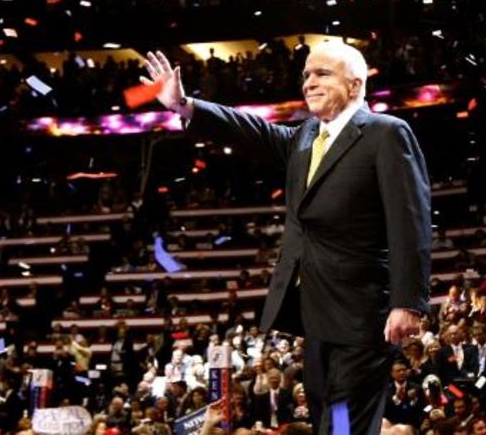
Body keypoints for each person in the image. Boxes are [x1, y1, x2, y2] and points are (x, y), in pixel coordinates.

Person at [141, 42, 432, 435]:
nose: (309, 82)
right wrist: (185, 105)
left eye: (322, 74)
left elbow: (409, 219)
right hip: (315, 313)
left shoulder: (386, 134)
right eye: (306, 75)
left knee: (343, 421)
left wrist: (407, 301)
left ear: (355, 83)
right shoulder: (307, 137)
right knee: (326, 414)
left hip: (362, 314)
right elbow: (251, 130)